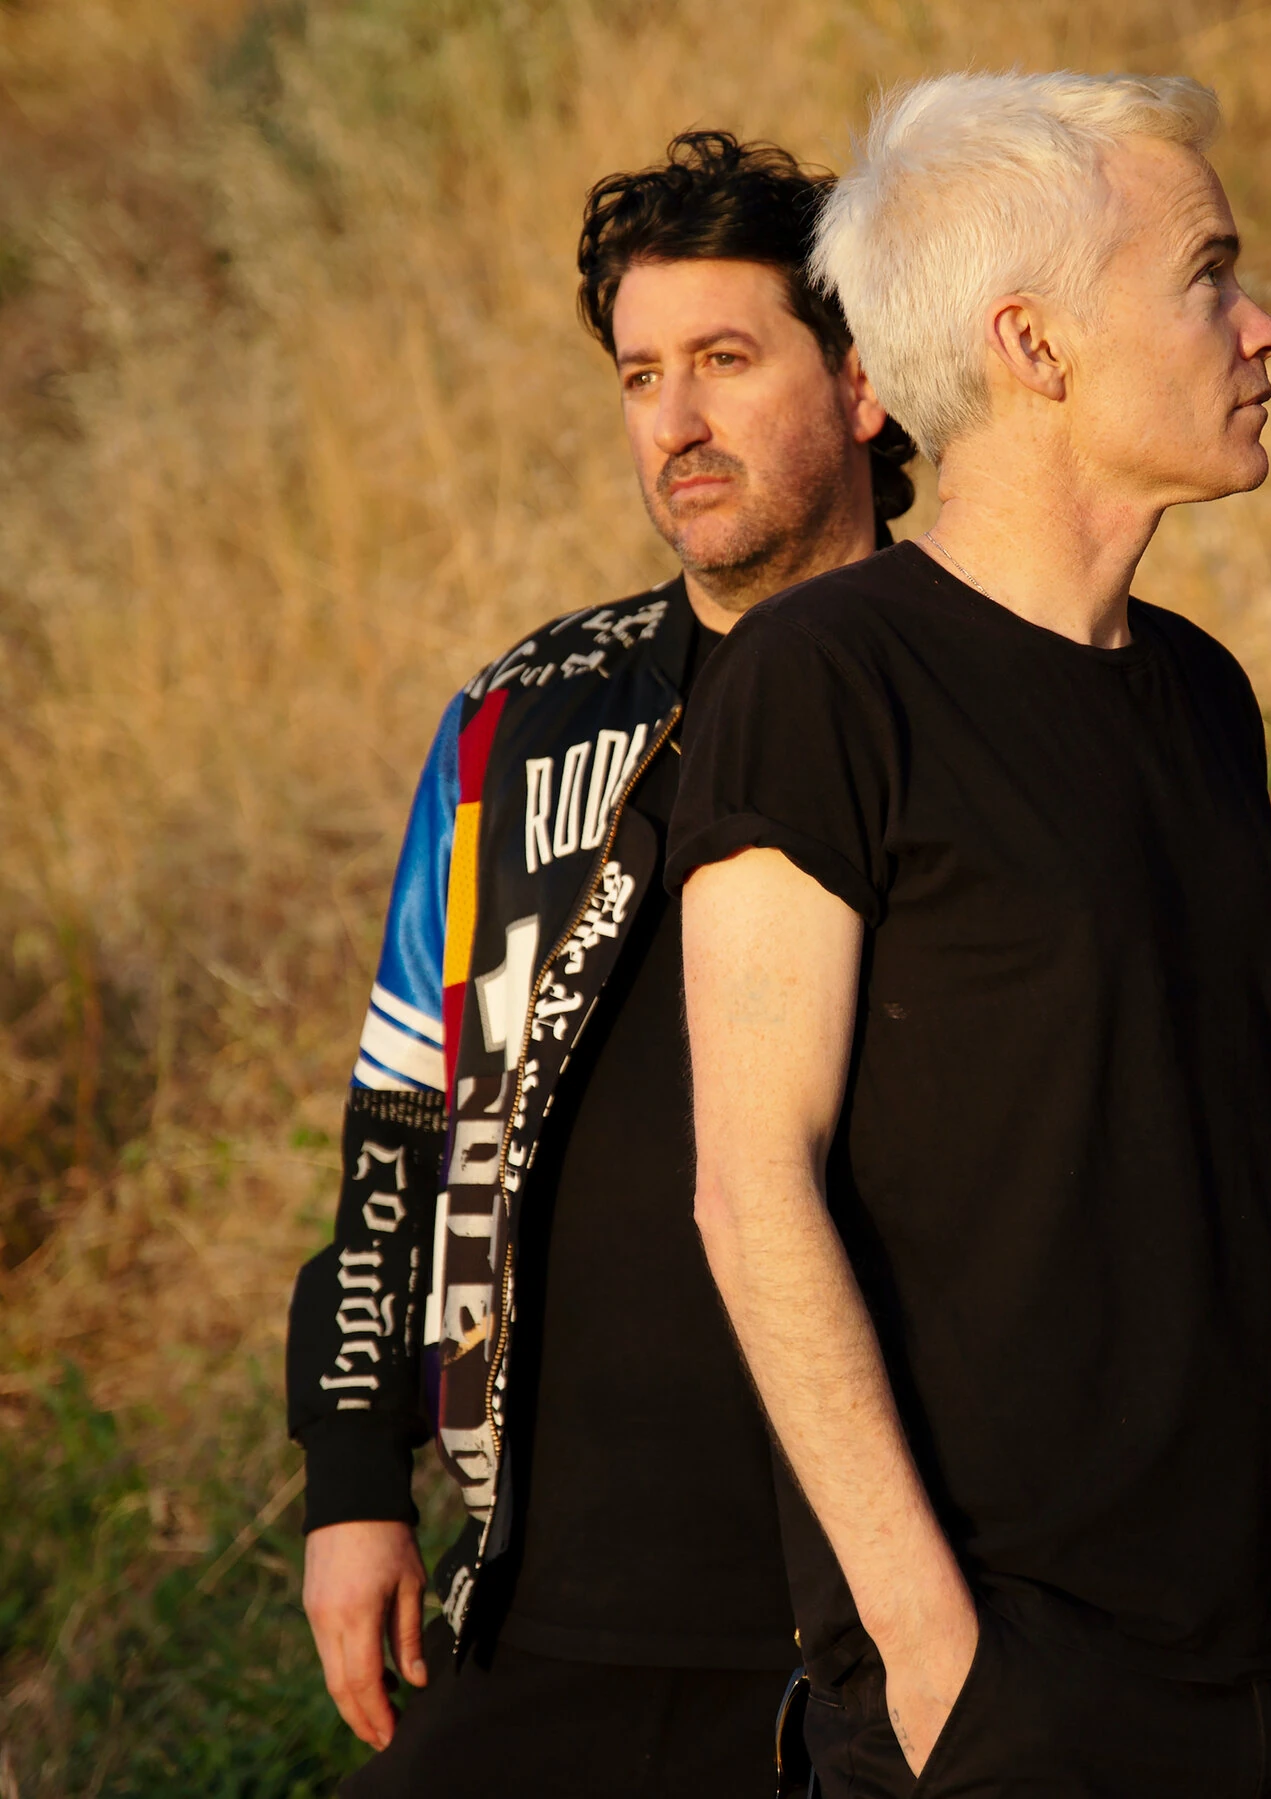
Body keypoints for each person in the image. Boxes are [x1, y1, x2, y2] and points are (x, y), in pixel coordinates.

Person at [669, 73, 1271, 1798]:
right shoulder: (824, 683)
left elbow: (1233, 1138)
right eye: (1208, 275)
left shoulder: (1204, 695)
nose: (1264, 326)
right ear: (1035, 345)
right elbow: (751, 1188)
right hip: (1024, 1700)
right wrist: (932, 1645)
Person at [284, 130, 914, 1798]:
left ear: (863, 381)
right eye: (643, 375)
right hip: (547, 1603)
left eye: (727, 359)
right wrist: (353, 1477)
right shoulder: (518, 720)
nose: (676, 423)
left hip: (870, 1611)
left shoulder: (970, 698)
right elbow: (399, 1119)